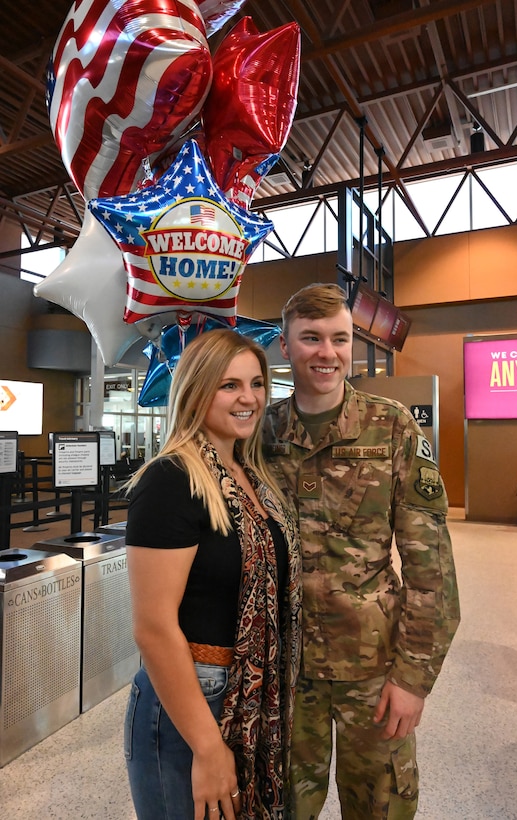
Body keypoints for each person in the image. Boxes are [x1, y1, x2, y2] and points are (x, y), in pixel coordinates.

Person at [262, 283, 461, 819]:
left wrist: (413, 679)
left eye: (339, 339)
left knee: (380, 808)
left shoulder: (391, 426)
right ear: (285, 345)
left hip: (372, 668)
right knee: (280, 807)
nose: (327, 353)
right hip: (284, 667)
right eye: (310, 338)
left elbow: (431, 570)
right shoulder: (260, 431)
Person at [123, 328, 302, 820]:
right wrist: (207, 746)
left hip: (249, 689)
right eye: (229, 385)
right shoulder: (171, 480)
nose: (248, 398)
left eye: (257, 383)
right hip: (194, 699)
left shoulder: (252, 476)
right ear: (196, 390)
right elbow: (153, 627)